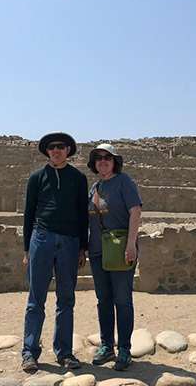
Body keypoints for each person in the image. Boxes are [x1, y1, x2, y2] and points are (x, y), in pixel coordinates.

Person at [21, 132, 89, 373]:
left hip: (70, 242)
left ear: (68, 150)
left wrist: (83, 247)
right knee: (35, 298)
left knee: (66, 299)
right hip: (42, 238)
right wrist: (27, 249)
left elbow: (83, 214)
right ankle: (29, 352)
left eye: (61, 147)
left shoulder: (79, 178)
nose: (56, 150)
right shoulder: (37, 178)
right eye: (52, 147)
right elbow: (28, 214)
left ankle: (64, 352)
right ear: (47, 151)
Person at [86, 143, 142, 371]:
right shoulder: (95, 187)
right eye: (98, 158)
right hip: (98, 251)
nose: (103, 160)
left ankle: (125, 349)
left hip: (120, 249)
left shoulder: (124, 182)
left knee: (122, 300)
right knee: (104, 300)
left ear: (114, 161)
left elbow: (135, 211)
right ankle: (107, 346)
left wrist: (131, 244)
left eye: (107, 157)